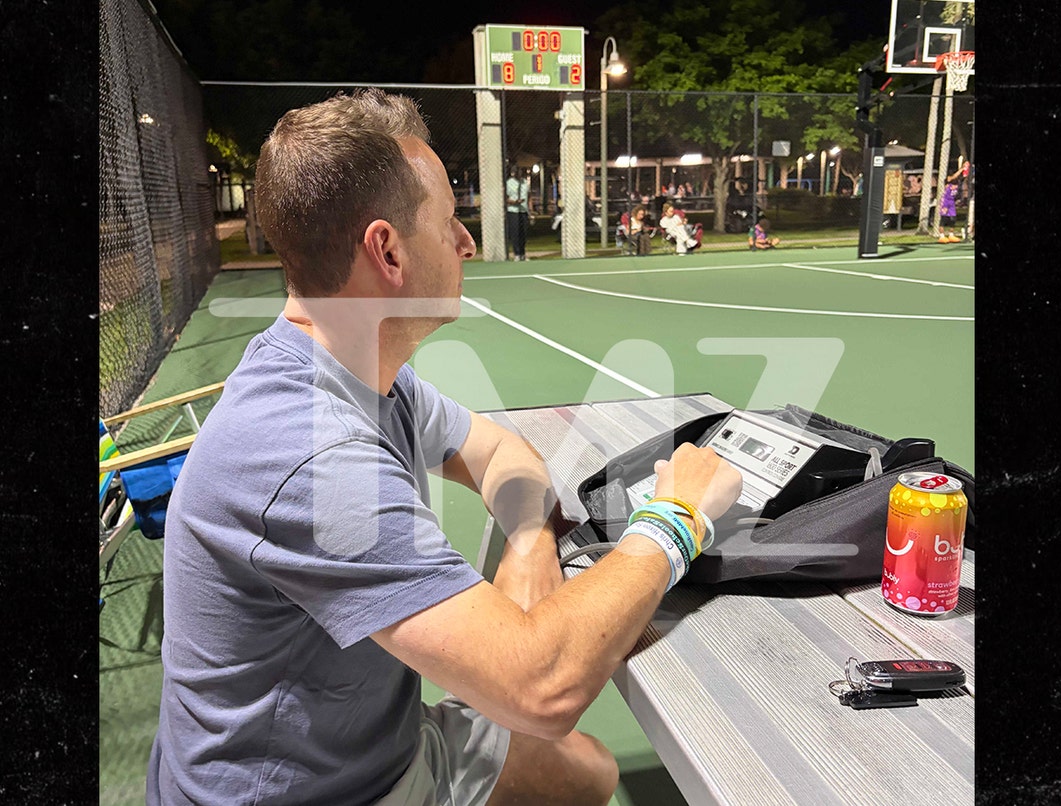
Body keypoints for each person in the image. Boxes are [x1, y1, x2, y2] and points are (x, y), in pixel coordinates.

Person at [146, 88, 743, 806]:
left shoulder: (363, 373)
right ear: (387, 251)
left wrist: (527, 541)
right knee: (560, 732)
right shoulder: (306, 453)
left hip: (371, 751)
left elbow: (502, 453)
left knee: (589, 772)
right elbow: (539, 687)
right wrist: (678, 516)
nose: (465, 242)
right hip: (313, 795)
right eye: (450, 222)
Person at [505, 163, 530, 261]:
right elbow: (505, 198)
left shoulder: (524, 182)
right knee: (515, 233)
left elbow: (529, 196)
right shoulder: (509, 183)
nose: (517, 174)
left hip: (523, 210)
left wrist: (530, 210)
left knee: (523, 233)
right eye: (515, 172)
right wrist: (514, 202)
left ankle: (523, 253)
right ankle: (517, 254)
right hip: (513, 211)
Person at [937, 171, 962, 243]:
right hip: (945, 201)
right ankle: (942, 236)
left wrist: (963, 169)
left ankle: (951, 235)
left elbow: (958, 176)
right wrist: (961, 169)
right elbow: (953, 176)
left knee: (953, 219)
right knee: (944, 219)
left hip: (952, 202)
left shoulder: (957, 183)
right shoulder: (948, 183)